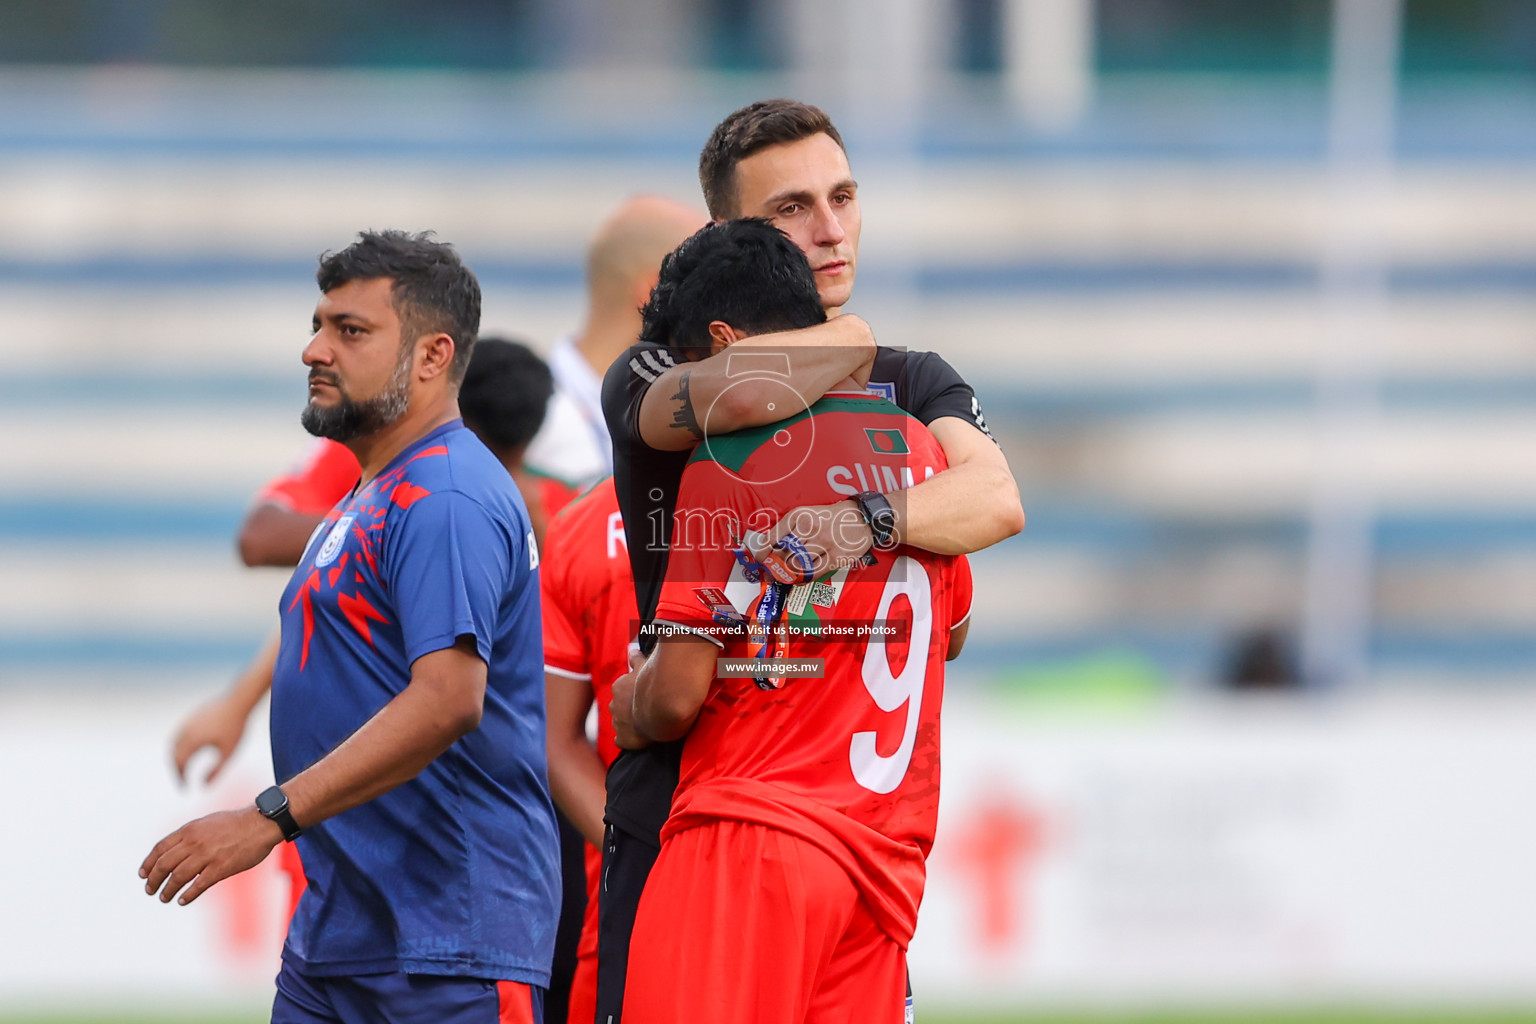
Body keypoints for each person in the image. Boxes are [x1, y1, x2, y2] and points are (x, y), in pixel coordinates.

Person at [595, 99, 1022, 1022]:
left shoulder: (915, 376)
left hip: (824, 830)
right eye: (792, 209)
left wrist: (861, 521)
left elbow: (996, 499)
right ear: (728, 233)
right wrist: (850, 340)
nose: (829, 231)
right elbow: (730, 397)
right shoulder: (650, 369)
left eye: (843, 196)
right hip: (679, 808)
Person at [140, 230, 558, 1024]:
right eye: (318, 325)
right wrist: (238, 703)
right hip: (344, 934)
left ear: (433, 356)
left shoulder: (447, 495)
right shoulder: (375, 491)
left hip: (445, 947)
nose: (313, 350)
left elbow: (448, 701)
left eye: (350, 331)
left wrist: (269, 816)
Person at [539, 476, 637, 1024]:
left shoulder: (580, 524)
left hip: (627, 883)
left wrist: (635, 845)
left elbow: (555, 740)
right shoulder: (800, 501)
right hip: (799, 860)